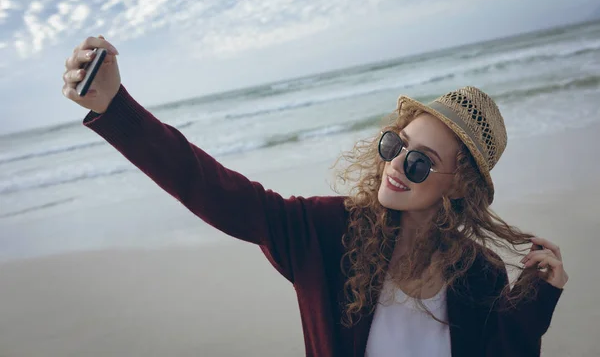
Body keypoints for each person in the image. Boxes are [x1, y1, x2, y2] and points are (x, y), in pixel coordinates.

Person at [61, 36, 568, 357]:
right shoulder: (330, 234)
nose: (395, 165)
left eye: (419, 163)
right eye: (396, 145)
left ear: (459, 185)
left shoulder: (479, 274)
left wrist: (536, 302)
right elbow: (213, 189)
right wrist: (116, 109)